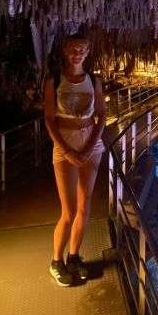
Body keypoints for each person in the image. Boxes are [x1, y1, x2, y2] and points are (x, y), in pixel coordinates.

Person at [44, 33, 106, 286]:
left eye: (82, 49)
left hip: (91, 142)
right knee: (68, 211)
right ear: (65, 51)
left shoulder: (94, 80)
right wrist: (68, 151)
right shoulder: (54, 80)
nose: (77, 53)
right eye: (73, 49)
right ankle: (56, 261)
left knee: (84, 206)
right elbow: (49, 119)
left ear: (88, 52)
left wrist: (90, 147)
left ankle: (74, 257)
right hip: (64, 143)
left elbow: (101, 116)